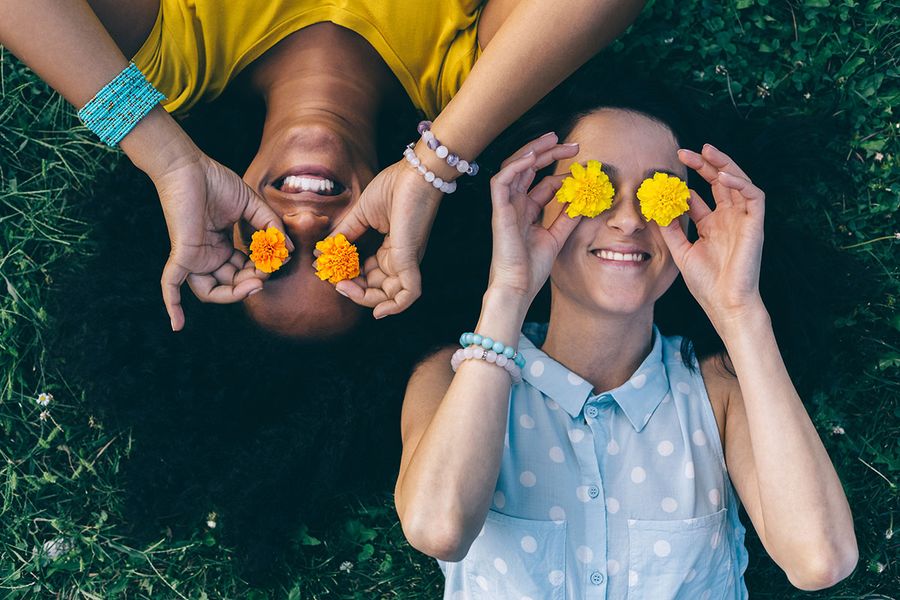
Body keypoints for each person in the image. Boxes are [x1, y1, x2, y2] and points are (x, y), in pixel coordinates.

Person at [394, 88, 859, 598]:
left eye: (661, 196)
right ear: (535, 204)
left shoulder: (719, 391)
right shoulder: (451, 375)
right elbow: (438, 528)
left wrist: (740, 312)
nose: (630, 220)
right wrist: (508, 289)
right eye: (593, 188)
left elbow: (820, 559)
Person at [0, 0, 644, 337]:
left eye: (272, 252)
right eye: (344, 256)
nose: (308, 222)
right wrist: (436, 163)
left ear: (226, 223)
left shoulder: (171, 60)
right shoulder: (465, 73)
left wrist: (164, 156)